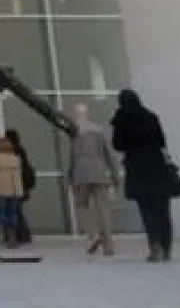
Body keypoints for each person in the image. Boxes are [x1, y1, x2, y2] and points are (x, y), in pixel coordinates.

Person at [110, 89, 180, 262]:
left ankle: (155, 246)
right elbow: (162, 140)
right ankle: (167, 247)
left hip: (137, 167)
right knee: (163, 210)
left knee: (147, 210)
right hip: (158, 166)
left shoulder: (122, 118)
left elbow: (118, 144)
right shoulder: (151, 116)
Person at [68, 102, 119, 257]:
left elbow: (71, 157)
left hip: (81, 173)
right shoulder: (98, 130)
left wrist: (69, 177)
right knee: (103, 208)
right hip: (99, 171)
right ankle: (108, 244)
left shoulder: (74, 132)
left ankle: (93, 235)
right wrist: (115, 174)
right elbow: (109, 155)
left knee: (83, 206)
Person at [0, 137, 27, 249]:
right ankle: (12, 236)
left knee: (0, 211)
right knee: (13, 212)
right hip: (15, 189)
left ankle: (7, 232)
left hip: (2, 188)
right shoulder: (16, 158)